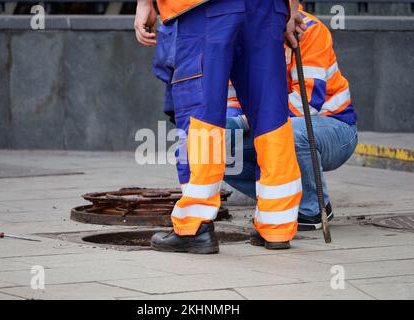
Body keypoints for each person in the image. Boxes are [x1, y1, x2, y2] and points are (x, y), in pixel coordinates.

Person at [135, 0, 306, 253]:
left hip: (202, 8)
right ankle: (277, 225)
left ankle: (195, 225)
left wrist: (144, 4)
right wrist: (291, 7)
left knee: (201, 112)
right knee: (270, 114)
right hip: (266, 7)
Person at [224, 7, 358, 235]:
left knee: (290, 132)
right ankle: (279, 202)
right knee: (218, 148)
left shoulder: (310, 30)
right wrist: (227, 128)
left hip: (334, 128)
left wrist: (244, 123)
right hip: (268, 125)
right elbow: (233, 99)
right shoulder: (243, 33)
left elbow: (307, 103)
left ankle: (313, 207)